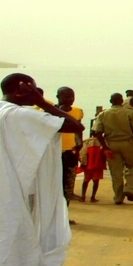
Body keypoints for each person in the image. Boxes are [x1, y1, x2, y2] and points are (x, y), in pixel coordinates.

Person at [0, 73, 85, 266]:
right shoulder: (20, 115)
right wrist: (41, 102)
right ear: (21, 90)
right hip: (13, 193)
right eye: (33, 89)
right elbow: (75, 126)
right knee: (15, 242)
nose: (36, 94)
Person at [93, 93, 133, 204]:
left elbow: (97, 133)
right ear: (122, 101)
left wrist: (105, 147)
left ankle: (118, 197)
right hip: (127, 143)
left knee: (116, 172)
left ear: (110, 101)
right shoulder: (130, 113)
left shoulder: (103, 114)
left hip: (111, 144)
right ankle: (129, 189)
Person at [56, 86, 84, 225]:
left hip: (70, 153)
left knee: (68, 188)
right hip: (54, 154)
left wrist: (79, 144)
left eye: (72, 97)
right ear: (58, 97)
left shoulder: (78, 111)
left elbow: (79, 128)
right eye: (66, 97)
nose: (70, 100)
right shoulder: (50, 112)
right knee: (54, 187)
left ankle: (63, 217)